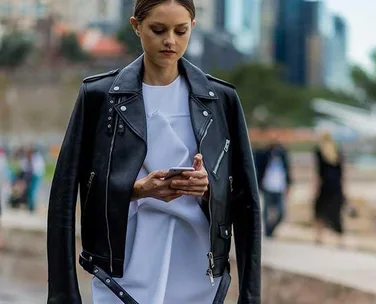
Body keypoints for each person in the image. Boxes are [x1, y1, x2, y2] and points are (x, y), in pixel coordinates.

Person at [47, 0, 261, 303]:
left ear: (193, 28)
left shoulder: (221, 100)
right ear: (136, 26)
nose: (170, 41)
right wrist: (138, 190)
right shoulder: (98, 96)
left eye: (181, 30)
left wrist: (207, 189)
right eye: (158, 30)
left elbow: (246, 199)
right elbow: (64, 197)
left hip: (197, 264)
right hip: (122, 266)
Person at [312, 132, 345, 247]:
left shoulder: (319, 151)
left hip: (324, 186)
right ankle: (340, 239)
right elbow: (342, 173)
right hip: (336, 187)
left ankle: (319, 237)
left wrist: (314, 189)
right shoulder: (337, 151)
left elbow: (318, 173)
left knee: (319, 210)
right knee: (336, 212)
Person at [255, 134, 292, 237]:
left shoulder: (283, 155)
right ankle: (267, 231)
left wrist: (289, 185)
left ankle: (271, 230)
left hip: (280, 187)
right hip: (268, 186)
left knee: (281, 212)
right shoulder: (266, 154)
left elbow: (288, 170)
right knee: (266, 210)